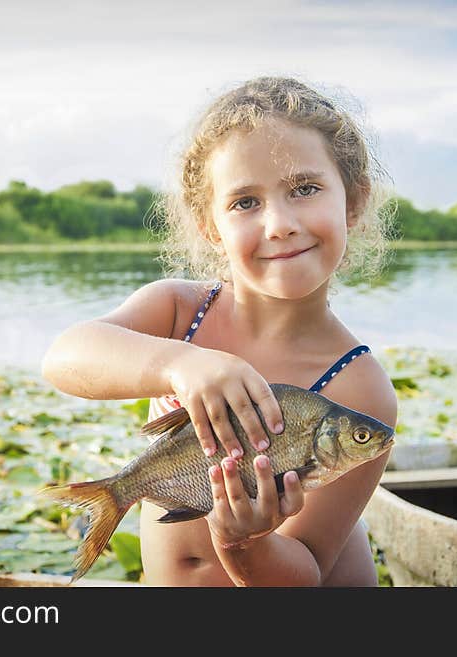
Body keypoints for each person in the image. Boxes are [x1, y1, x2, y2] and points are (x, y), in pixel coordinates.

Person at [41, 76, 397, 587]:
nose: (279, 224)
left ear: (354, 202)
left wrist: (244, 542)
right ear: (210, 226)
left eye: (305, 189)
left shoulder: (360, 389)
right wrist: (181, 364)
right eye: (245, 202)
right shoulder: (180, 313)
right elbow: (64, 358)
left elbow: (306, 572)